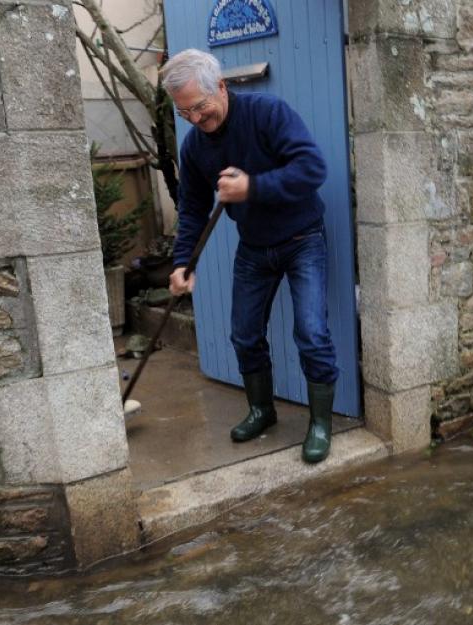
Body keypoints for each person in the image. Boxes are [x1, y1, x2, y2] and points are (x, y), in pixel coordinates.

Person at [161, 49, 338, 464]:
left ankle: (320, 423)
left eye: (200, 108)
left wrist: (253, 187)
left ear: (220, 87)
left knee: (312, 334)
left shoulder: (267, 113)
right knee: (243, 333)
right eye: (185, 113)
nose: (196, 120)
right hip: (255, 247)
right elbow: (191, 210)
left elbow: (312, 169)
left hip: (302, 238)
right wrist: (182, 263)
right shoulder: (195, 148)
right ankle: (262, 410)